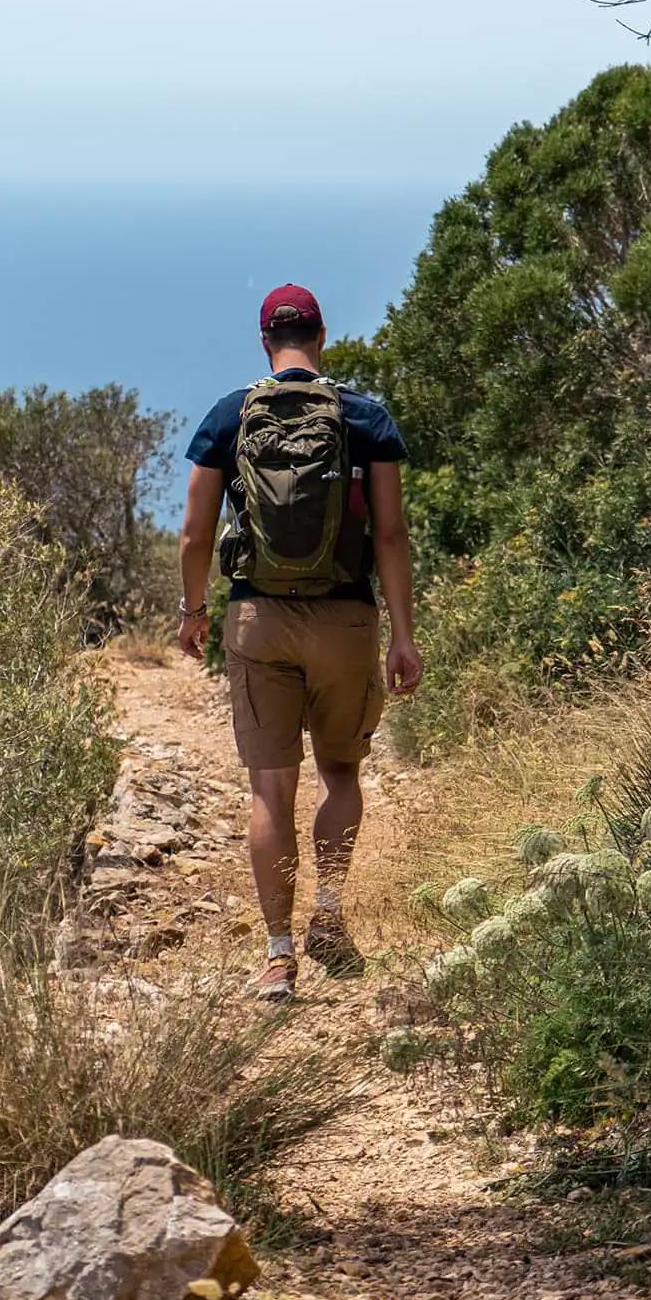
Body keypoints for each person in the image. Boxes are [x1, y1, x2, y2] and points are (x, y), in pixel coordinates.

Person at [177, 283, 424, 1000]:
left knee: (269, 788)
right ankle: (328, 914)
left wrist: (194, 612)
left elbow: (195, 533)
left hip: (258, 620)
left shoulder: (231, 417)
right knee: (340, 775)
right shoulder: (364, 417)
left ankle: (278, 955)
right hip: (346, 621)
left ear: (265, 342)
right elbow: (390, 533)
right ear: (321, 335)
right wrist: (401, 635)